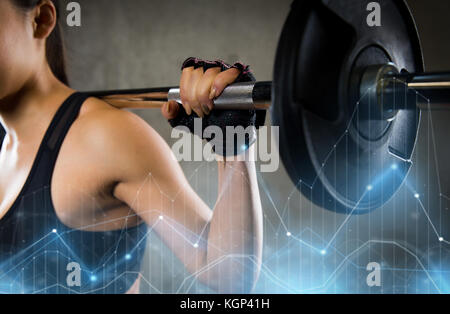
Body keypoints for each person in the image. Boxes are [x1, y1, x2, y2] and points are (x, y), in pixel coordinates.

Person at [0, 0, 263, 294]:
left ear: (41, 19)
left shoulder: (101, 137)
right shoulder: (4, 142)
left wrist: (232, 142)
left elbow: (228, 275)